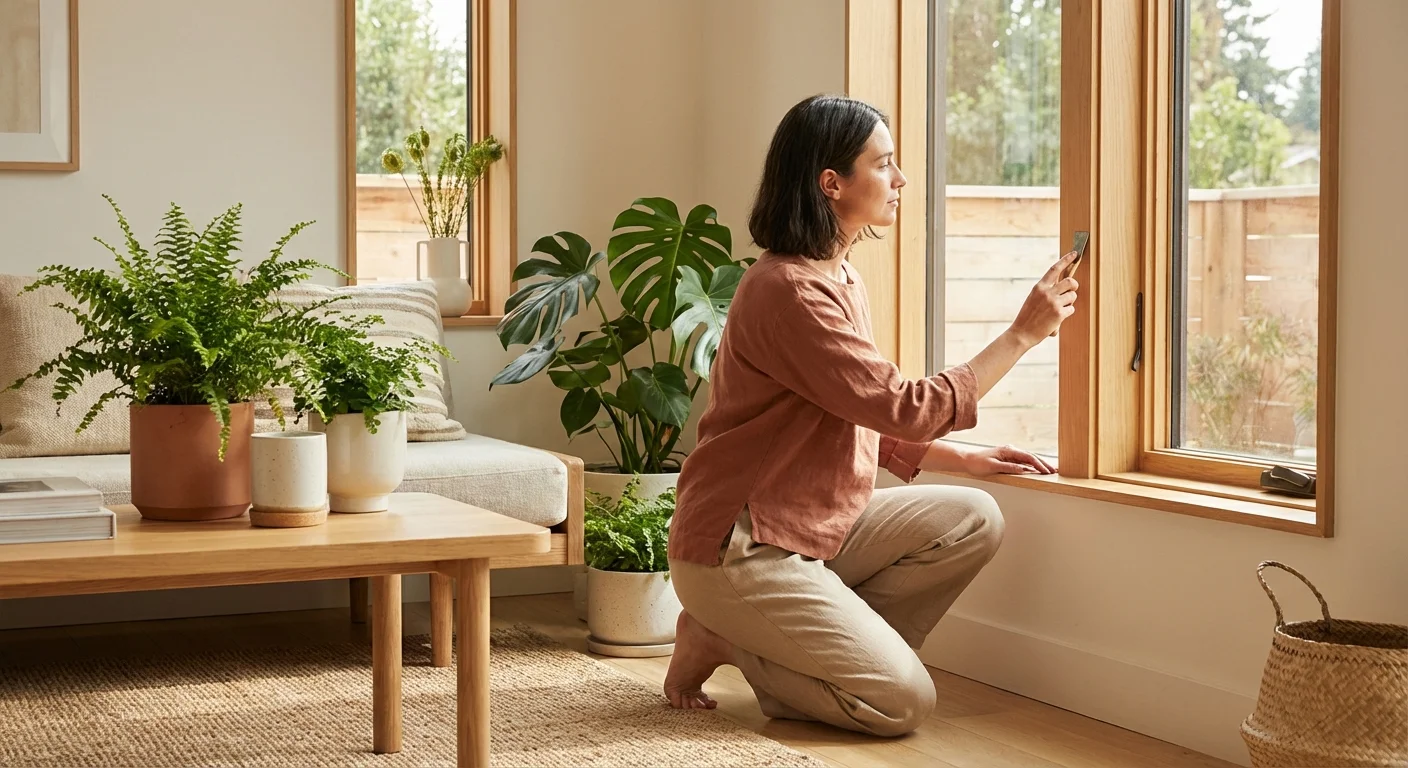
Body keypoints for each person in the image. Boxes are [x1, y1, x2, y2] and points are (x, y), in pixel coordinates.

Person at [662, 94, 1079, 737]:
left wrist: (956, 458)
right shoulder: (790, 291)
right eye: (884, 164)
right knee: (902, 704)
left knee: (972, 518)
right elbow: (907, 406)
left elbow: (848, 413)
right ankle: (733, 639)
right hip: (741, 545)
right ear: (832, 183)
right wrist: (1023, 334)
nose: (901, 179)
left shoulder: (840, 276)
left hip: (809, 526)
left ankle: (791, 642)